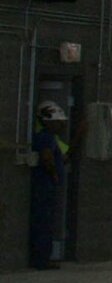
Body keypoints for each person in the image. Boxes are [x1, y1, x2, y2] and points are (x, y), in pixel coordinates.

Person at [28, 101, 68, 269]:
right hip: (45, 187)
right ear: (48, 121)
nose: (61, 125)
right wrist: (54, 176)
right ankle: (41, 260)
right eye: (58, 122)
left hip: (46, 186)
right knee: (44, 222)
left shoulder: (50, 138)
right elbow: (47, 158)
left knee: (46, 221)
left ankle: (42, 258)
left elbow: (63, 157)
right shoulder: (45, 137)